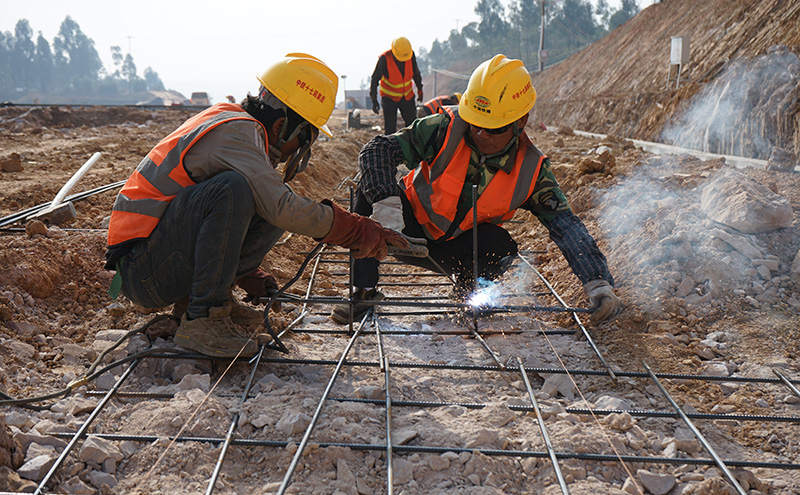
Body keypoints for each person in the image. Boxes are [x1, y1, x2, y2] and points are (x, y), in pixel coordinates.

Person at [105, 53, 408, 357]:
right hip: (142, 271)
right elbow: (281, 207)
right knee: (236, 190)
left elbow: (220, 221)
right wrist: (355, 229)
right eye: (303, 141)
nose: (295, 154)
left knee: (261, 196)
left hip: (155, 260)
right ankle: (203, 319)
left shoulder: (233, 124)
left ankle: (205, 304)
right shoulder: (237, 133)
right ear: (281, 127)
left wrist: (246, 274)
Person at [332, 54, 622, 326]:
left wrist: (597, 281)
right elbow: (378, 150)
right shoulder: (445, 128)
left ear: (521, 122)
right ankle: (364, 292)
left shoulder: (531, 170)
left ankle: (468, 299)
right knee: (365, 193)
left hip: (455, 249)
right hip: (400, 231)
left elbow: (566, 226)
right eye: (476, 124)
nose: (481, 133)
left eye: (492, 127)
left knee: (500, 244)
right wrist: (386, 202)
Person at [370, 37, 423, 135]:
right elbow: (375, 79)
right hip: (389, 98)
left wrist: (420, 89)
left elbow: (416, 73)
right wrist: (374, 100)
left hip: (407, 96)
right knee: (390, 129)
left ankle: (413, 148)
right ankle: (391, 148)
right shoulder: (384, 59)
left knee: (412, 126)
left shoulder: (410, 55)